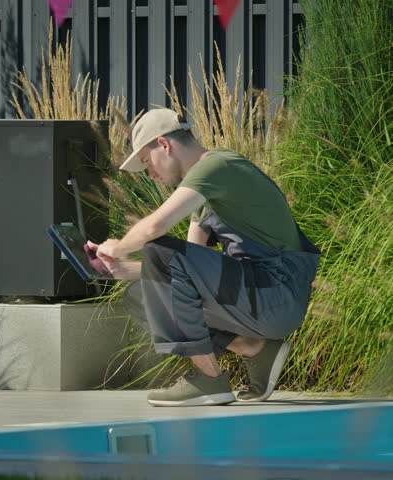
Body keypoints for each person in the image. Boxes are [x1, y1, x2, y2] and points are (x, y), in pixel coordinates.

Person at [88, 109, 321, 407]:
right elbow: (185, 271)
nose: (151, 175)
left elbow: (156, 228)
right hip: (257, 296)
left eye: (147, 163)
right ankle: (254, 348)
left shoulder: (218, 165)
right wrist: (122, 269)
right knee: (140, 295)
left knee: (157, 248)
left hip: (276, 293)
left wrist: (117, 246)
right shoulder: (204, 194)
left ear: (165, 145)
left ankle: (210, 380)